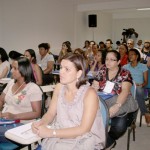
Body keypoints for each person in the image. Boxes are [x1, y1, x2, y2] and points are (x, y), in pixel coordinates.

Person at [32, 53, 105, 150]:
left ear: (78, 73)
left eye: (67, 69)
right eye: (61, 67)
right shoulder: (59, 87)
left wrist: (51, 133)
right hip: (61, 132)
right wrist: (41, 123)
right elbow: (50, 113)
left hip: (83, 138)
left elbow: (84, 129)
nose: (61, 72)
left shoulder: (89, 93)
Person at [92, 50, 138, 149]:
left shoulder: (125, 72)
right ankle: (96, 139)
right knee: (90, 117)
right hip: (103, 101)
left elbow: (125, 91)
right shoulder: (103, 69)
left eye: (112, 60)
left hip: (121, 101)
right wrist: (94, 87)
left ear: (118, 62)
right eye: (107, 59)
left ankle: (109, 139)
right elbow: (95, 84)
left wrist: (117, 105)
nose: (108, 62)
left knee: (119, 127)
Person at [0, 57, 42, 143]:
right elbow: (1, 100)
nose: (11, 71)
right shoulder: (11, 83)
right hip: (5, 120)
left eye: (15, 68)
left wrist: (14, 116)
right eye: (12, 68)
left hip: (22, 124)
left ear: (23, 70)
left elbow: (36, 113)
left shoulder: (33, 88)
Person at [123, 48, 150, 126]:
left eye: (132, 54)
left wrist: (141, 85)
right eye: (129, 55)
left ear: (137, 56)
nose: (130, 56)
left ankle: (132, 120)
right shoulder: (125, 67)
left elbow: (145, 82)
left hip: (139, 86)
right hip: (129, 86)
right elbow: (123, 80)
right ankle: (146, 113)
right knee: (136, 95)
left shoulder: (143, 67)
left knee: (138, 91)